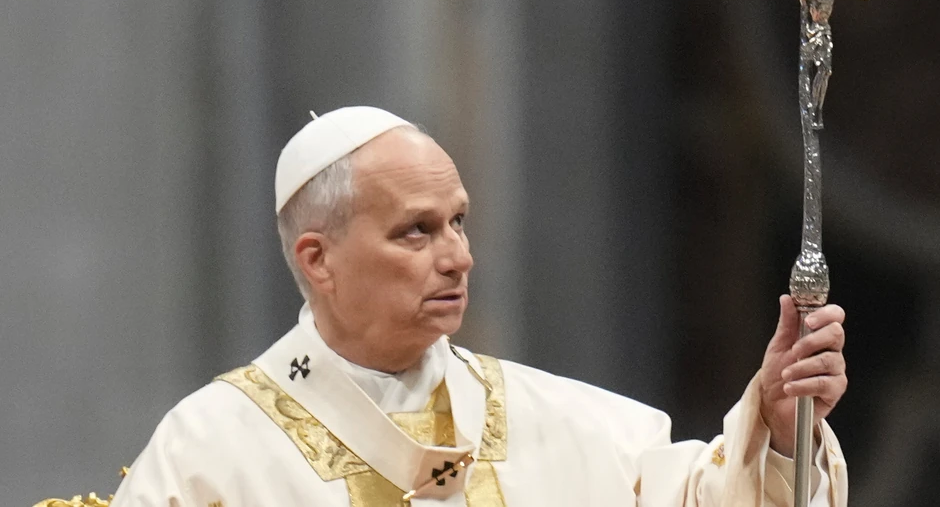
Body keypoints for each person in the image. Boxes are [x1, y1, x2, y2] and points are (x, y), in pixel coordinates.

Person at [111, 106, 849, 506]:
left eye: (458, 222)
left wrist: (779, 430)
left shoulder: (567, 427)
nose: (458, 256)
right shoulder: (210, 453)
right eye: (416, 231)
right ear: (318, 259)